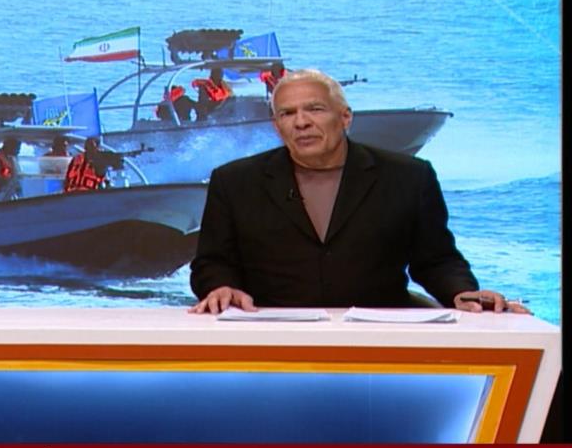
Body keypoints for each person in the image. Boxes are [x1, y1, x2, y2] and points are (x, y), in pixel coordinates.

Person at [189, 69, 529, 315]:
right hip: (271, 335)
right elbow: (212, 262)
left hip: (378, 336)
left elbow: (436, 259)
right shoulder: (235, 181)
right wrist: (219, 286)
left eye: (315, 109)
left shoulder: (408, 176)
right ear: (277, 127)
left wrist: (462, 292)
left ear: (346, 117)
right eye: (287, 114)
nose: (301, 122)